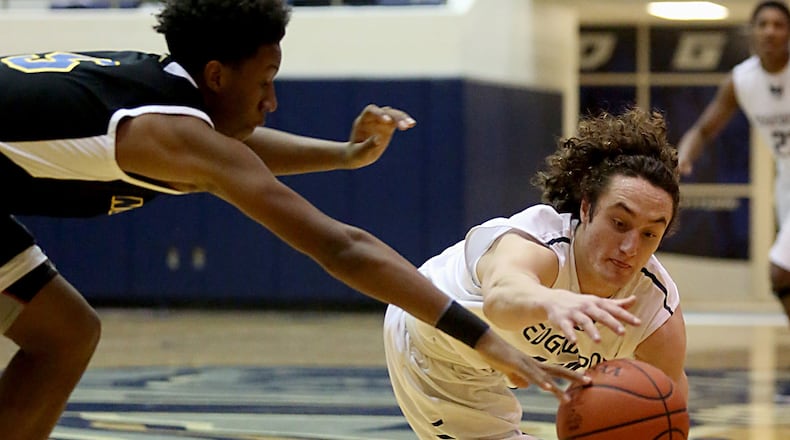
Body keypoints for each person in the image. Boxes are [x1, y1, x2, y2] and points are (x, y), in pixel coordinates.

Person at [0, 1, 587, 438]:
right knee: (64, 333)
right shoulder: (171, 132)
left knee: (66, 334)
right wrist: (483, 338)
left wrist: (345, 155)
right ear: (216, 76)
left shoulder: (166, 98)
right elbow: (343, 248)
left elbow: (236, 147)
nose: (272, 100)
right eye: (265, 81)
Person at [383, 107, 689, 440]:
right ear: (586, 209)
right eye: (619, 223)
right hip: (436, 342)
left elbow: (668, 412)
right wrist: (550, 300)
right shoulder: (539, 244)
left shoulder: (656, 310)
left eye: (649, 234)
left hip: (496, 357)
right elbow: (501, 299)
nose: (630, 246)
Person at [677, 0, 790, 325]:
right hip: (785, 181)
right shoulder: (741, 80)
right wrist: (684, 156)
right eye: (763, 24)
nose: (770, 31)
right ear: (751, 32)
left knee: (780, 271)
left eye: (778, 24)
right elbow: (704, 129)